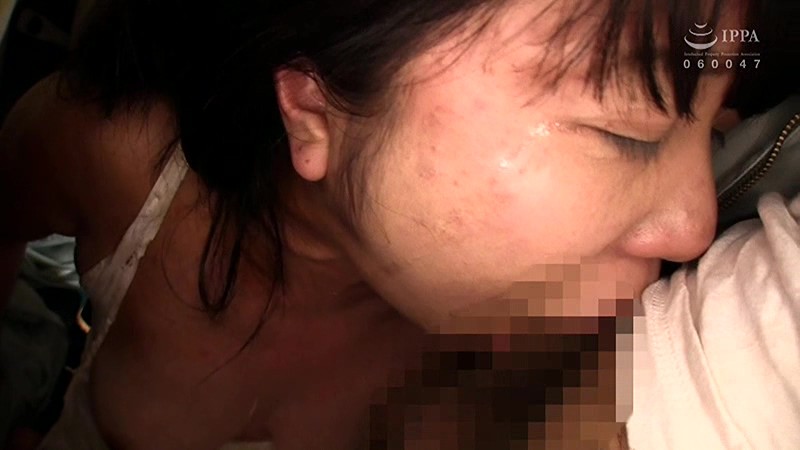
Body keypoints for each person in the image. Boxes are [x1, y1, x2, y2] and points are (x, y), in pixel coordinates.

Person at [0, 0, 790, 448]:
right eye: (629, 133)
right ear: (313, 111)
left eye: (713, 135)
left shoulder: (560, 359)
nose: (696, 228)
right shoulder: (114, 156)